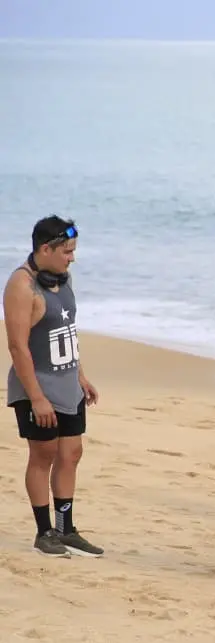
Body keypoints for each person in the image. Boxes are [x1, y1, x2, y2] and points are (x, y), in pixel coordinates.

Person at [3, 216, 103, 558]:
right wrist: (37, 398)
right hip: (37, 387)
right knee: (43, 455)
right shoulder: (21, 285)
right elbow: (17, 347)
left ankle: (66, 529)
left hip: (67, 383)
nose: (71, 258)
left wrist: (80, 375)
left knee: (71, 454)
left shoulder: (63, 278)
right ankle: (44, 532)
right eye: (66, 251)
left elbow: (67, 330)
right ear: (45, 249)